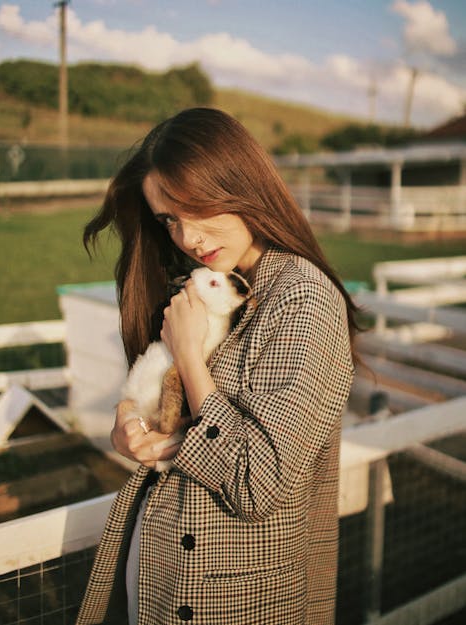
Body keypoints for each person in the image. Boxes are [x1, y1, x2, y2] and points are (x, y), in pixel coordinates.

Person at [77, 107, 357, 625]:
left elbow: (257, 481)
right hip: (160, 575)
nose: (188, 238)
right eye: (170, 220)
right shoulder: (211, 283)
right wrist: (129, 419)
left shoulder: (301, 298)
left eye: (196, 209)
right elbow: (165, 397)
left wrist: (188, 353)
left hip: (236, 602)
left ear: (240, 185)